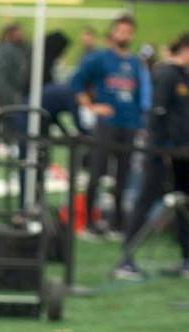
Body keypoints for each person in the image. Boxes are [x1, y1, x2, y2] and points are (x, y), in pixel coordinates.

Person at [113, 33, 189, 280]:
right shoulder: (167, 74)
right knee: (145, 202)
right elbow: (156, 115)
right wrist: (160, 149)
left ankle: (187, 260)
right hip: (161, 154)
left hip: (180, 154)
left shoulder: (182, 76)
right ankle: (126, 260)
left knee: (183, 206)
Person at [71, 15, 151, 238]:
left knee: (123, 177)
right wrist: (92, 106)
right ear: (113, 33)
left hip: (129, 125)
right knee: (97, 173)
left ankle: (116, 224)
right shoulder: (100, 59)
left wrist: (139, 122)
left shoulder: (135, 63)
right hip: (106, 125)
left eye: (128, 31)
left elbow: (138, 95)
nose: (124, 34)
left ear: (132, 34)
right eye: (120, 30)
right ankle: (88, 224)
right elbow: (76, 82)